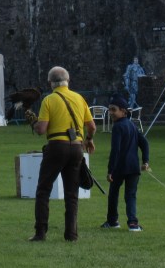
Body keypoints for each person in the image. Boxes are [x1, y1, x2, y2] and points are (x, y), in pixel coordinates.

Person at [29, 66, 96, 242]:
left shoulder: (49, 100)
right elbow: (92, 126)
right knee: (72, 193)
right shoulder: (79, 98)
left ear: (50, 82)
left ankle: (40, 232)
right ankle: (71, 234)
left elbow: (41, 130)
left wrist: (34, 123)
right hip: (77, 148)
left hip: (56, 146)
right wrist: (88, 139)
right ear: (68, 80)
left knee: (43, 190)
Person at [101, 95, 150, 232]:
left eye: (113, 110)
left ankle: (112, 221)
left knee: (113, 194)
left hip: (120, 167)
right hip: (133, 167)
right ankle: (133, 223)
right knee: (130, 195)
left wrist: (110, 170)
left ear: (123, 111)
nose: (110, 113)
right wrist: (145, 161)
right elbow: (144, 143)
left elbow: (115, 150)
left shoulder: (118, 127)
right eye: (109, 109)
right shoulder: (132, 125)